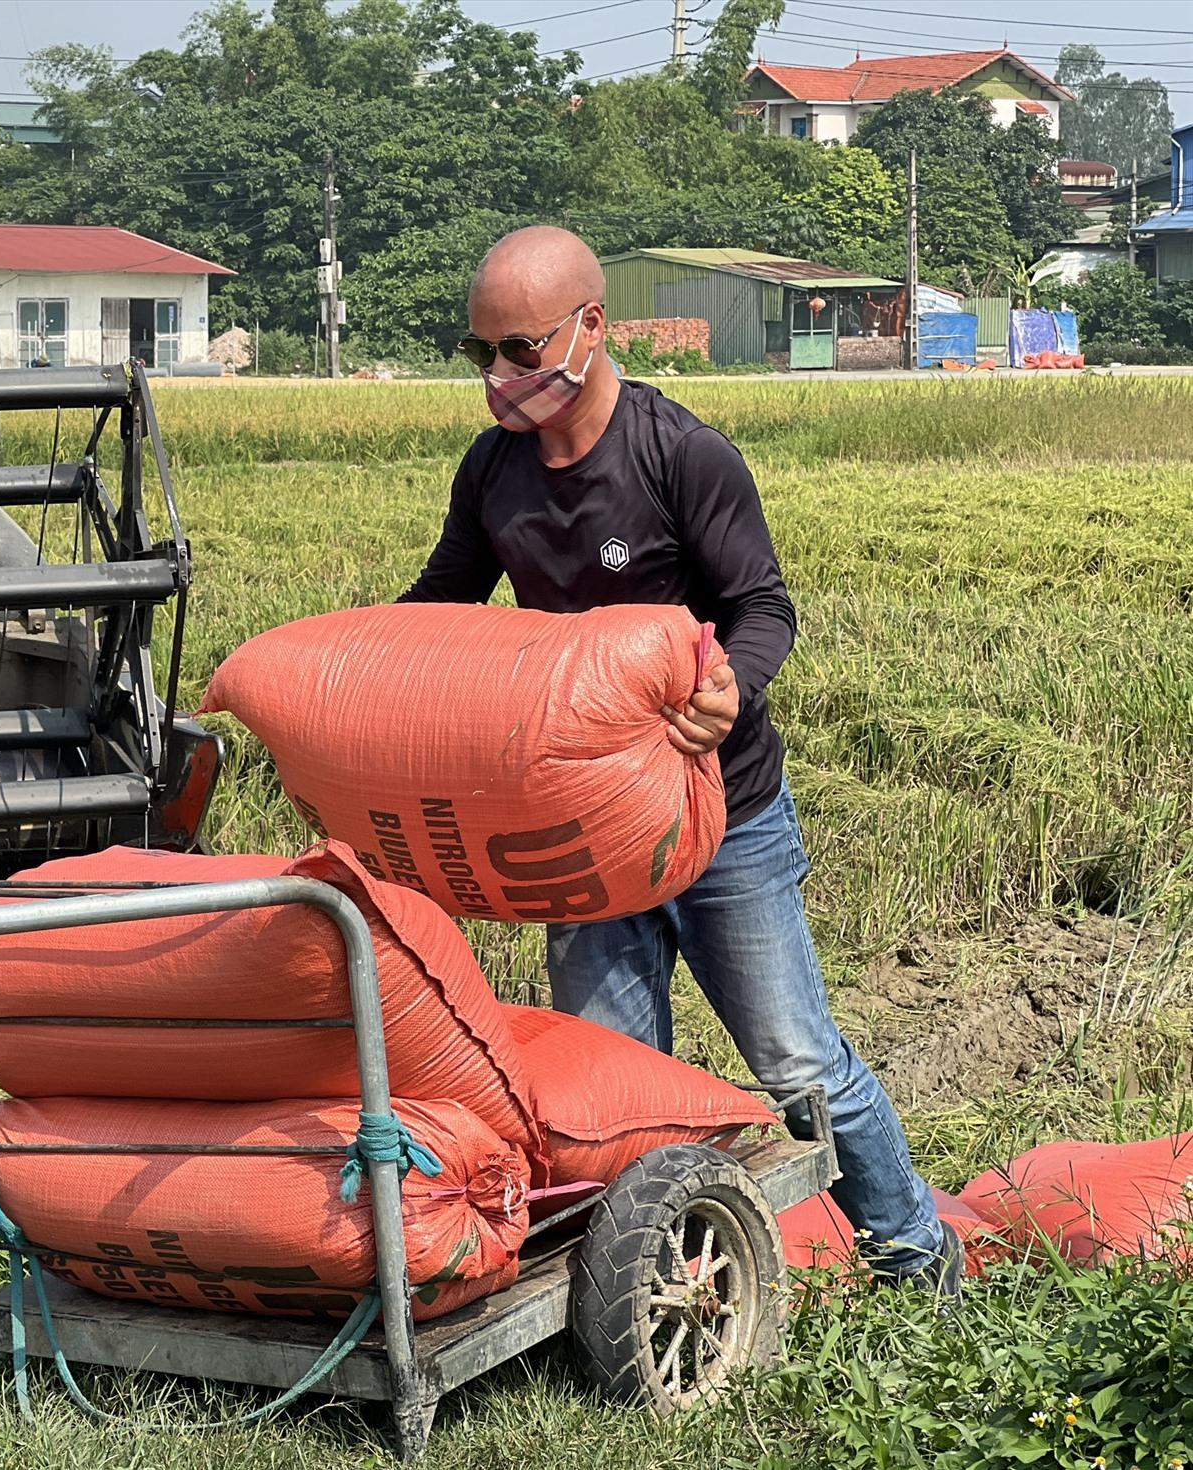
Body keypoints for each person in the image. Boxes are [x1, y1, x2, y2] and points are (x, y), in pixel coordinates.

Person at [400, 225, 959, 1292]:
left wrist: (727, 687)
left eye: (519, 351)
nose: (498, 378)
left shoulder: (679, 455)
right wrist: (356, 668)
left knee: (796, 1065)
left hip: (723, 815)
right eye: (478, 355)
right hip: (582, 830)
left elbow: (762, 607)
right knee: (613, 1086)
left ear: (588, 329)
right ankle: (659, 1295)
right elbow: (445, 604)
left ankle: (916, 1260)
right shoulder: (494, 471)